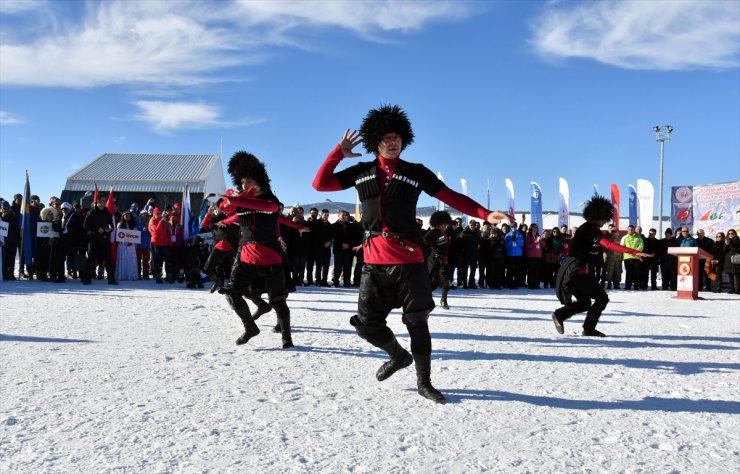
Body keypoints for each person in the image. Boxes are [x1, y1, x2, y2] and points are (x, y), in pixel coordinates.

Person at [312, 105, 509, 403]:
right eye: (387, 137)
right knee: (366, 326)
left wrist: (483, 213)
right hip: (374, 263)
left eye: (398, 137)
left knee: (418, 323)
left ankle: (424, 382)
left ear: (404, 140)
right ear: (375, 141)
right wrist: (337, 152)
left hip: (410, 262)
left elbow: (450, 196)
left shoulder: (416, 173)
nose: (393, 142)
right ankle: (397, 356)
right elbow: (319, 184)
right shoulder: (362, 172)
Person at [220, 151, 294, 349]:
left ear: (259, 182)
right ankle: (250, 327)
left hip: (270, 256)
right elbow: (225, 209)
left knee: (278, 300)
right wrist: (230, 197)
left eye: (249, 181)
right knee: (231, 293)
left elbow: (269, 209)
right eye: (242, 182)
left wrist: (235, 199)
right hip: (245, 257)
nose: (245, 186)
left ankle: (286, 336)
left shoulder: (270, 199)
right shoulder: (239, 198)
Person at [552, 195, 651, 337]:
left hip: (575, 271)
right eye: (605, 218)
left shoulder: (588, 228)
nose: (606, 221)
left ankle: (560, 315)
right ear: (598, 216)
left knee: (585, 303)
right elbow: (608, 244)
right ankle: (588, 328)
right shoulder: (590, 229)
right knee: (602, 298)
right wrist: (633, 251)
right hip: (575, 272)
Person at [83, 196, 117, 285]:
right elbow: (86, 225)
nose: (104, 202)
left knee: (108, 260)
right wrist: (96, 229)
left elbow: (111, 226)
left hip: (105, 239)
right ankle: (87, 279)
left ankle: (111, 279)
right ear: (97, 201)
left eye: (105, 200)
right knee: (91, 259)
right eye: (103, 200)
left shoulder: (107, 213)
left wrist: (109, 229)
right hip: (94, 239)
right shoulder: (91, 212)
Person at [424, 210, 452, 309]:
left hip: (443, 261)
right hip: (434, 261)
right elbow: (424, 241)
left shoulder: (443, 232)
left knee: (445, 281)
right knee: (433, 282)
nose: (446, 225)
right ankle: (425, 298)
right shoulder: (433, 232)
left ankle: (443, 300)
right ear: (439, 223)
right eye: (445, 223)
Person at [723, 229, 740, 294]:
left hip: (736, 259)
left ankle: (738, 290)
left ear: (735, 233)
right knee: (730, 275)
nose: (730, 234)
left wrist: (733, 246)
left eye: (732, 233)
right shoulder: (726, 241)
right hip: (728, 260)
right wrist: (727, 245)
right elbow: (724, 251)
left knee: (738, 276)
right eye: (729, 233)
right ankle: (732, 289)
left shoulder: (738, 240)